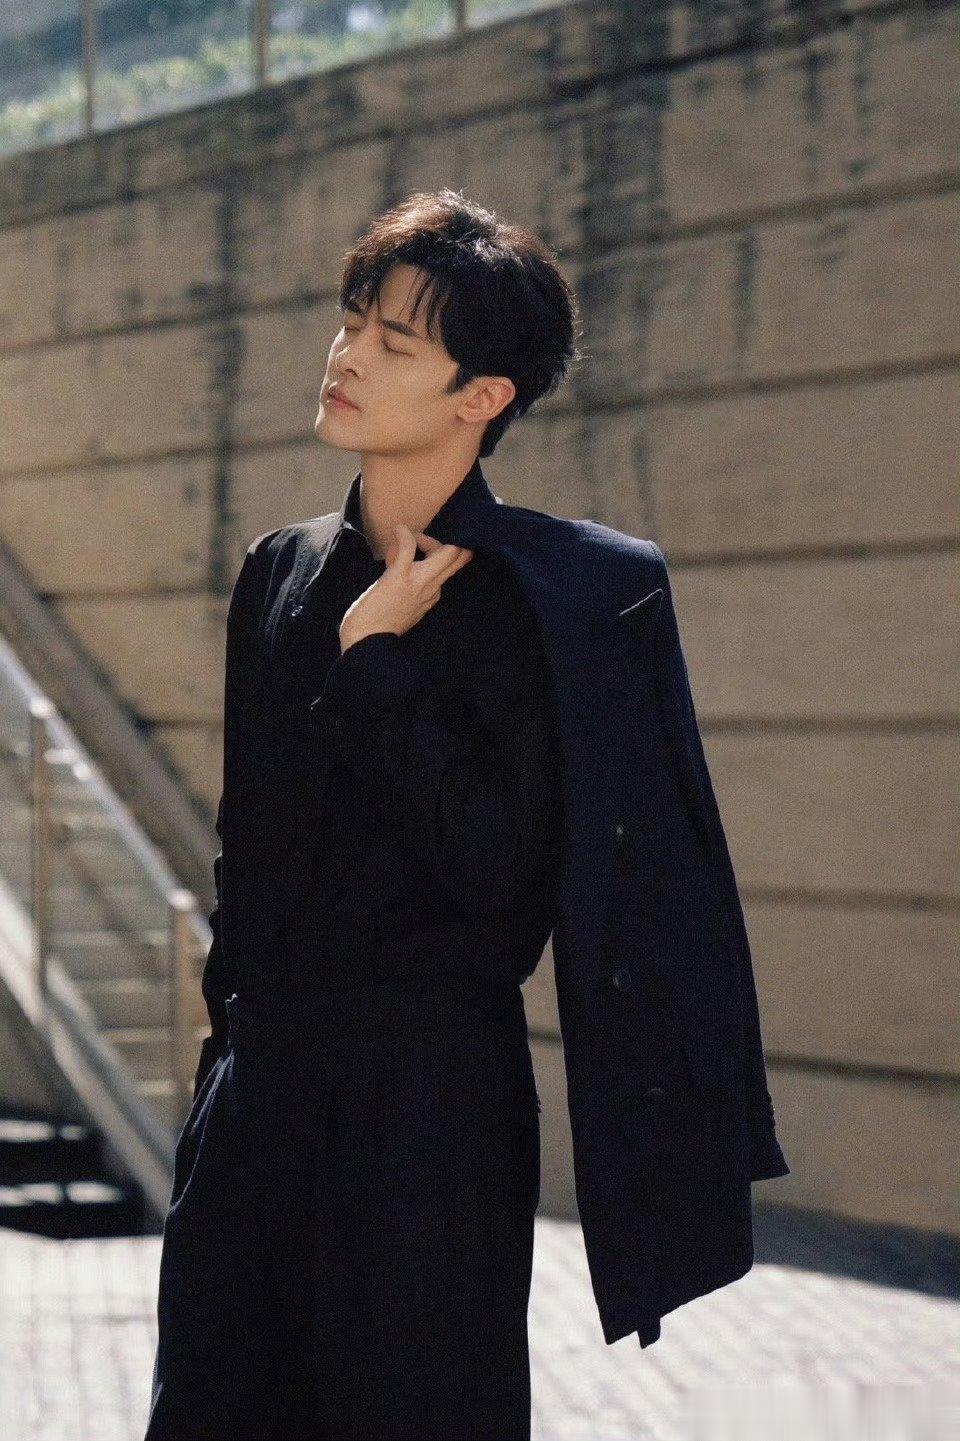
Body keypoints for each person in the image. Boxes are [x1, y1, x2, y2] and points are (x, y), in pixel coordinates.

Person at [145, 188, 580, 1441]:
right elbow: (247, 852)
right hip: (258, 1094)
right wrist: (221, 1080)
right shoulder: (277, 572)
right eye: (351, 324)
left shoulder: (539, 598)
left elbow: (502, 871)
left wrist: (377, 663)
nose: (346, 356)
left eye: (395, 342)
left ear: (482, 395)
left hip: (428, 1113)